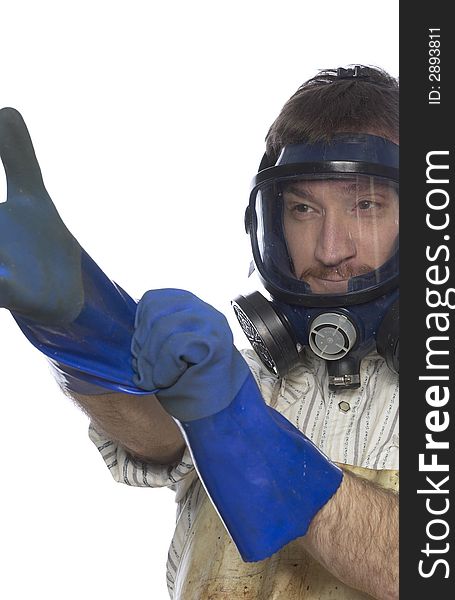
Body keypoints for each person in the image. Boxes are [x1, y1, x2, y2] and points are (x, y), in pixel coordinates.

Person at [0, 65, 399, 600]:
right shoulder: (243, 377)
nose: (331, 249)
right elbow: (160, 436)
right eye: (304, 209)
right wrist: (78, 326)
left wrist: (236, 424)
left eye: (366, 205)